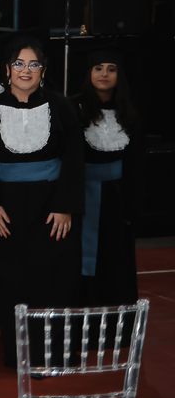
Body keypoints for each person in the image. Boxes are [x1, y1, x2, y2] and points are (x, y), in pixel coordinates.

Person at [0, 33, 84, 365]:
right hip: (7, 210)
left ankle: (55, 354)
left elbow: (74, 161)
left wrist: (65, 207)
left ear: (43, 71)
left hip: (52, 209)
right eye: (19, 63)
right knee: (12, 283)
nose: (26, 70)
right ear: (8, 68)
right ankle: (20, 355)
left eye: (34, 65)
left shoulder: (62, 107)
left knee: (56, 282)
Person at [72, 48, 142, 307]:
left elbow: (136, 164)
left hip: (116, 198)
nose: (104, 74)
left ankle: (115, 319)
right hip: (81, 197)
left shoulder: (129, 113)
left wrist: (131, 208)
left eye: (111, 69)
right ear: (89, 72)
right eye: (98, 68)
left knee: (115, 258)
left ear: (119, 74)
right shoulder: (74, 108)